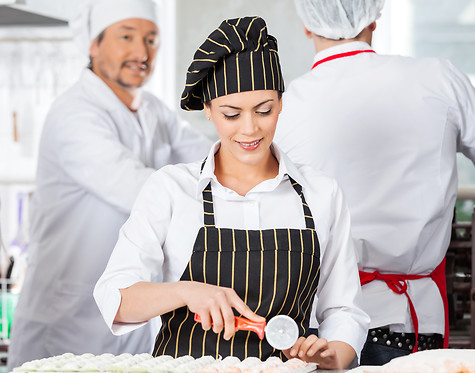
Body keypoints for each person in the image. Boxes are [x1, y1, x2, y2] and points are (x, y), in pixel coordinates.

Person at [93, 16, 369, 370]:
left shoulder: (321, 193)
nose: (250, 128)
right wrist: (186, 291)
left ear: (281, 103)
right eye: (231, 114)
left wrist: (333, 356)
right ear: (207, 111)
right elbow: (114, 298)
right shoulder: (171, 189)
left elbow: (344, 309)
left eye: (264, 110)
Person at [274, 0, 475, 366]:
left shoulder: (280, 108)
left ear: (306, 25)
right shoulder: (436, 79)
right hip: (405, 324)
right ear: (375, 19)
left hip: (314, 331)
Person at [7, 0, 212, 370]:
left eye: (151, 38)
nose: (141, 51)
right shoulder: (75, 113)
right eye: (126, 36)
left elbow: (211, 160)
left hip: (130, 320)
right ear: (94, 44)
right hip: (67, 318)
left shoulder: (152, 109)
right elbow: (137, 188)